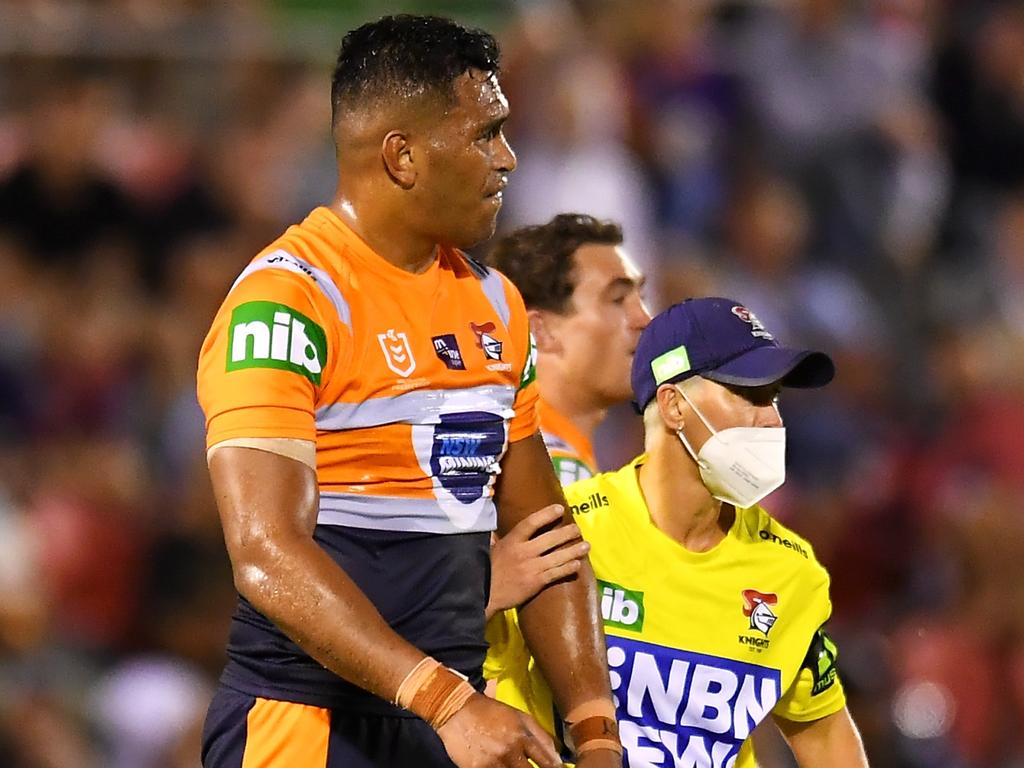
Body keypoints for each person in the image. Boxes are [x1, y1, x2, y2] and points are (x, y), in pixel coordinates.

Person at [195, 15, 620, 768]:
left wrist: (596, 737)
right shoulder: (290, 300)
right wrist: (446, 701)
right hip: (307, 723)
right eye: (486, 133)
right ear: (402, 156)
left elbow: (551, 543)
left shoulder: (496, 305)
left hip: (443, 722)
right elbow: (265, 552)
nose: (508, 158)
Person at [486, 297, 871, 767]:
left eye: (774, 398)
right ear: (673, 405)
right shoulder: (572, 527)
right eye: (749, 394)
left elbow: (828, 739)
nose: (772, 419)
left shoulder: (790, 573)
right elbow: (478, 675)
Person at [482, 213, 650, 619]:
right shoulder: (509, 468)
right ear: (540, 330)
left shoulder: (562, 463)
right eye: (617, 299)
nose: (644, 318)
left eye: (641, 297)